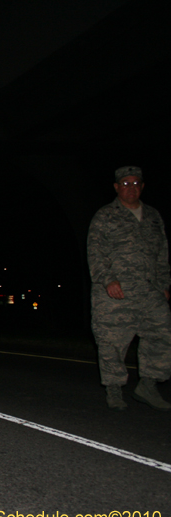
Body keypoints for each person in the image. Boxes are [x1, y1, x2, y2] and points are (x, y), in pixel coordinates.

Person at [87, 166, 171, 411]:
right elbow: (95, 252)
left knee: (163, 336)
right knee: (112, 342)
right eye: (125, 183)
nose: (130, 188)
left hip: (149, 291)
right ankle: (114, 390)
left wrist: (164, 284)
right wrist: (108, 279)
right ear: (116, 187)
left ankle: (148, 385)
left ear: (142, 187)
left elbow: (162, 254)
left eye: (135, 183)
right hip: (116, 293)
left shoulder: (153, 216)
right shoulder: (105, 216)